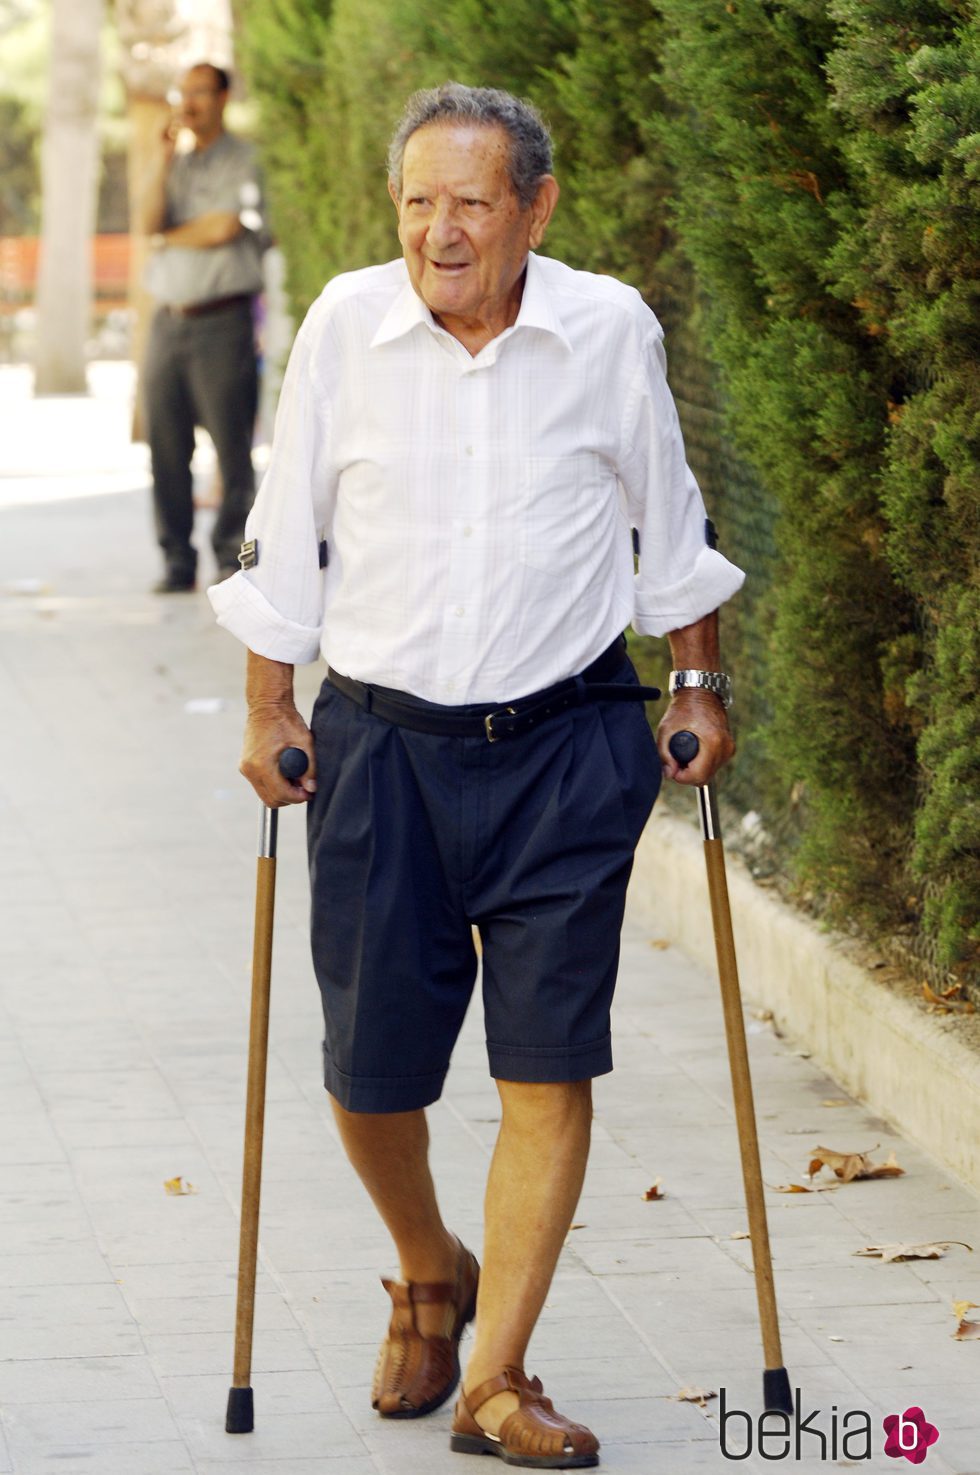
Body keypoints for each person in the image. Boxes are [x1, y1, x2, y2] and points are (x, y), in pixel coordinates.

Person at [210, 82, 744, 1469]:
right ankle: (427, 1264)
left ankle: (495, 1373)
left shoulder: (607, 330)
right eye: (418, 203)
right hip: (383, 752)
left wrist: (695, 682)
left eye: (471, 203)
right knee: (370, 1073)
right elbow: (290, 523)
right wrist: (269, 700)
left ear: (536, 209)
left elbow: (668, 521)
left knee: (547, 1065)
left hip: (568, 751)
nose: (439, 233)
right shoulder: (344, 325)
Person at [138, 62, 266, 593]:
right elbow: (145, 222)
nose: (189, 102)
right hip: (167, 322)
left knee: (232, 448)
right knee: (165, 447)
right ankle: (176, 559)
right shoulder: (177, 165)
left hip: (222, 319)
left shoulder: (247, 159)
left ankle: (234, 558)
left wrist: (169, 237)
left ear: (223, 96)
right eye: (183, 91)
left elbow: (223, 227)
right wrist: (163, 156)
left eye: (199, 92)